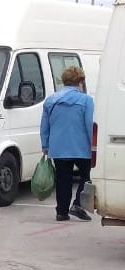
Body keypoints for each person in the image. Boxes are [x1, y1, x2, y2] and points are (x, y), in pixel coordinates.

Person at [41, 66, 95, 222]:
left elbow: (45, 125)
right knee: (87, 176)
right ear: (80, 82)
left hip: (58, 147)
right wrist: (94, 146)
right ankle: (78, 204)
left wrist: (45, 144)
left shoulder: (51, 100)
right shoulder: (86, 100)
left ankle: (61, 212)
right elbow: (89, 124)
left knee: (63, 180)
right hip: (81, 147)